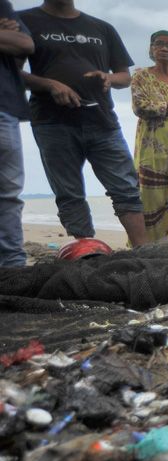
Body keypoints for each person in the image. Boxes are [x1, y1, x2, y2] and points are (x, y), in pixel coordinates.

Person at [19, 0, 147, 247]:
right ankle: (86, 248)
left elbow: (124, 77)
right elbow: (10, 70)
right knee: (69, 193)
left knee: (126, 189)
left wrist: (109, 77)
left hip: (103, 121)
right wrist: (50, 84)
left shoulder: (102, 28)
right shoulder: (24, 20)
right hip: (52, 122)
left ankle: (143, 251)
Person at [130, 30, 168, 243]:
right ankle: (148, 247)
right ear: (151, 48)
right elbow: (140, 107)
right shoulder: (141, 75)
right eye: (158, 44)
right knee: (150, 195)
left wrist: (166, 108)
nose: (163, 48)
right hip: (151, 148)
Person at [0, 0, 33, 268]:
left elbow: (24, 46)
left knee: (9, 191)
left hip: (5, 106)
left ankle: (12, 266)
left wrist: (13, 39)